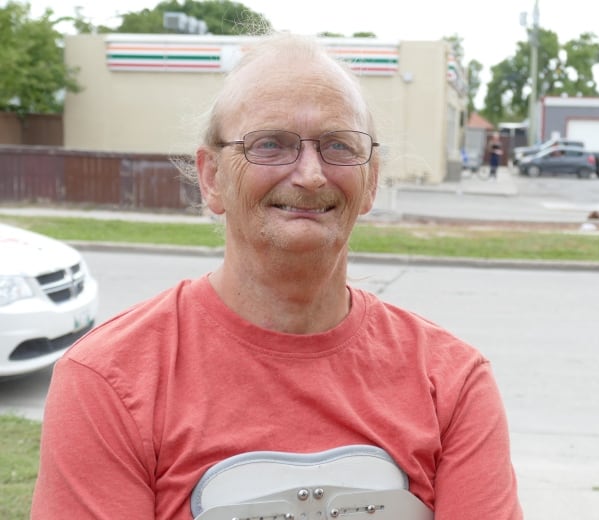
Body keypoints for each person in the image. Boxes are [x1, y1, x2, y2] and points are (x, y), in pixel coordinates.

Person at [31, 32, 522, 520]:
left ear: (371, 181)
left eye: (338, 146)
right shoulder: (109, 381)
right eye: (270, 144)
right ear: (212, 178)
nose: (310, 175)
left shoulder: (452, 384)